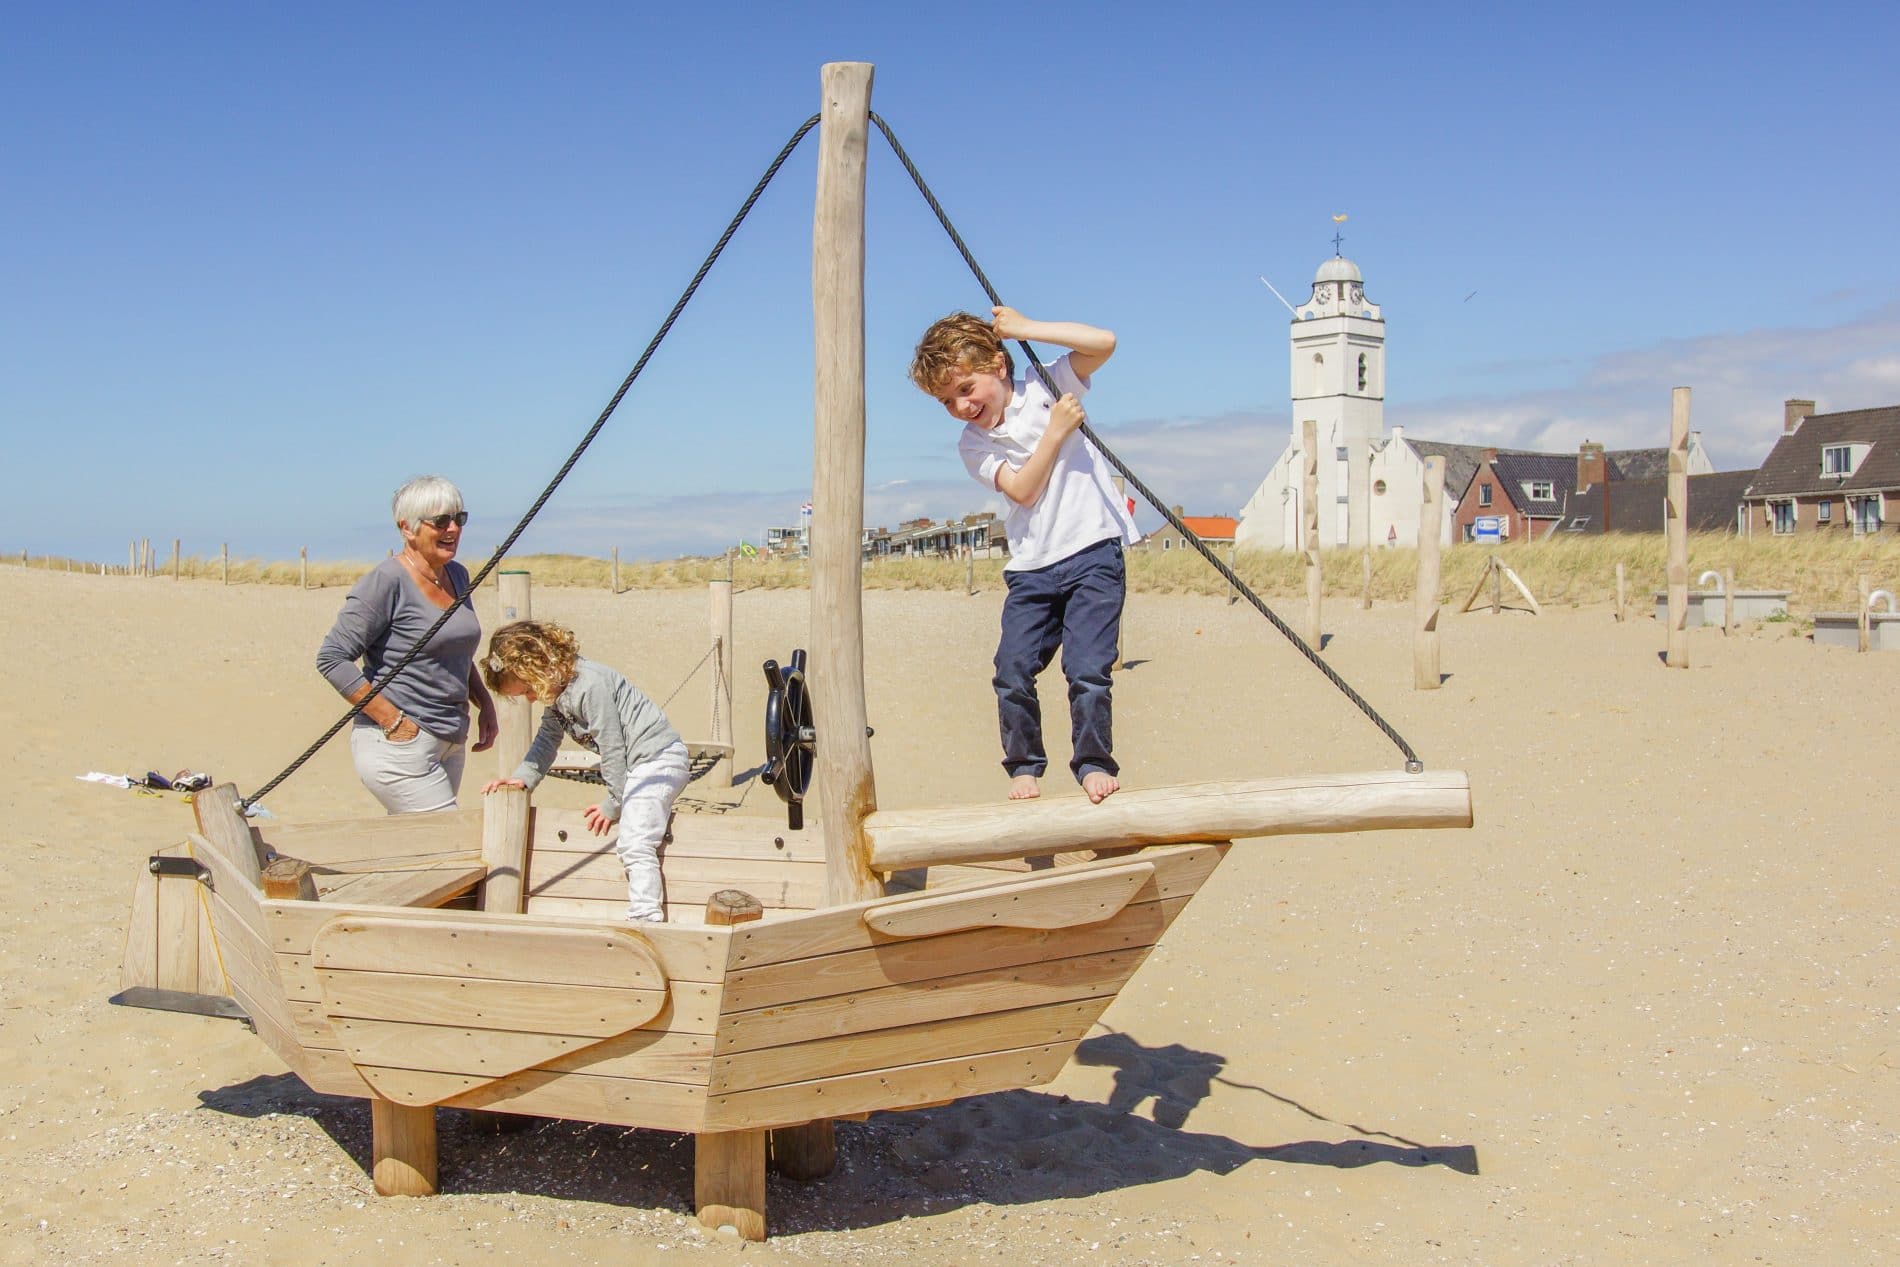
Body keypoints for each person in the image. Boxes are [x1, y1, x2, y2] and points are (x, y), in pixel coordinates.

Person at [909, 306, 1139, 804]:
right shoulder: (973, 444)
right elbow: (1024, 491)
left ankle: (1094, 762)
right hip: (1032, 568)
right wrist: (1056, 433)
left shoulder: (1047, 383)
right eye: (947, 401)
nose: (962, 406)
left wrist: (1023, 329)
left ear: (997, 365)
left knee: (1086, 670)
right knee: (1011, 671)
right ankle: (1023, 764)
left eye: (965, 389)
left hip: (1092, 551)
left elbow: (1104, 339)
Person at [480, 620, 689, 923]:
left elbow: (612, 748)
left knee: (635, 841)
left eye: (528, 689)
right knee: (635, 834)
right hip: (638, 766)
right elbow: (547, 739)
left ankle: (646, 917)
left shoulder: (589, 686)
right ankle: (644, 911)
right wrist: (523, 778)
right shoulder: (557, 691)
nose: (530, 698)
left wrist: (614, 803)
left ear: (540, 667)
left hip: (658, 760)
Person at [316, 476, 499, 813]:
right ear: (408, 529)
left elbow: (453, 650)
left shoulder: (457, 575)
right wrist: (393, 721)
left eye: (459, 518)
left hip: (449, 739)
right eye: (441, 521)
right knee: (448, 844)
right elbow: (332, 658)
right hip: (397, 746)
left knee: (419, 852)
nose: (453, 529)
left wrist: (484, 703)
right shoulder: (386, 581)